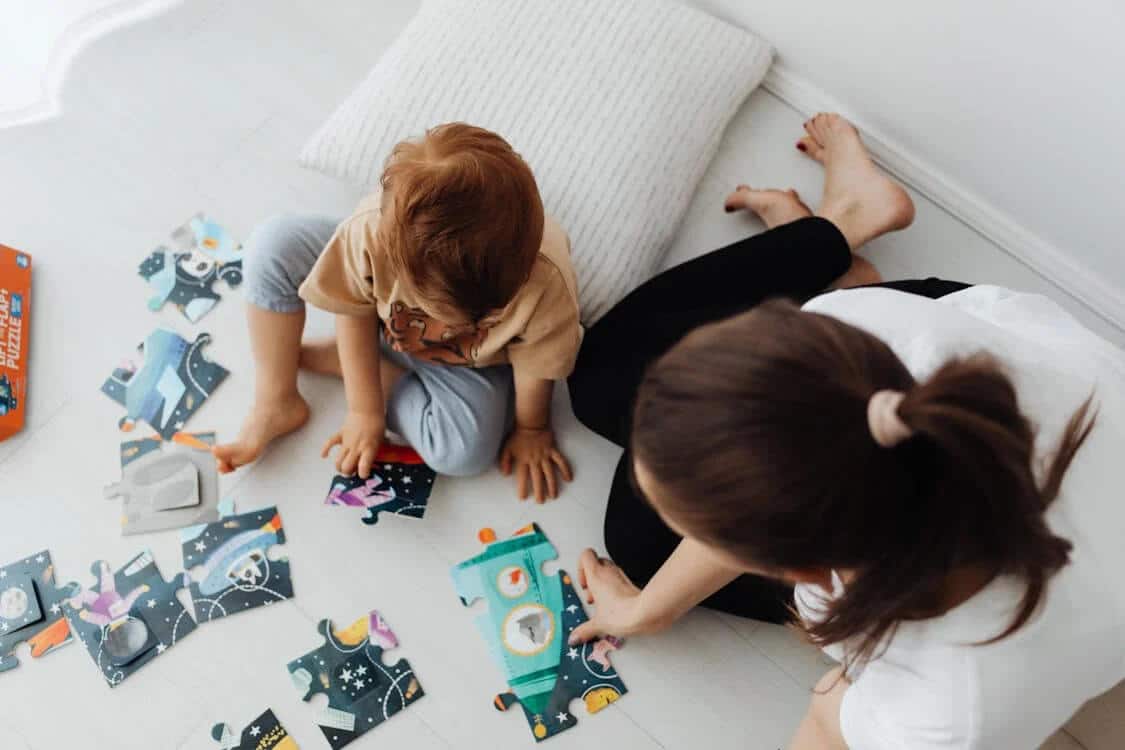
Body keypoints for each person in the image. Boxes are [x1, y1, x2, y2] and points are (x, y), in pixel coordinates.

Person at [567, 113, 1125, 748]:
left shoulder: (944, 709)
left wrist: (652, 607)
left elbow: (827, 724)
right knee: (602, 382)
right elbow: (786, 463)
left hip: (962, 383)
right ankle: (842, 225)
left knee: (635, 524)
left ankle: (839, 227)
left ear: (804, 571)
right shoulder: (865, 338)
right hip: (943, 337)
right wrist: (648, 611)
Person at [213, 123, 578, 501]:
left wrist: (532, 429)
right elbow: (353, 307)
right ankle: (277, 397)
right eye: (433, 308)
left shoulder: (548, 279)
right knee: (272, 245)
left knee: (463, 453)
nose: (444, 324)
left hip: (469, 363)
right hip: (379, 309)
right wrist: (364, 410)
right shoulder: (372, 229)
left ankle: (357, 363)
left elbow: (537, 363)